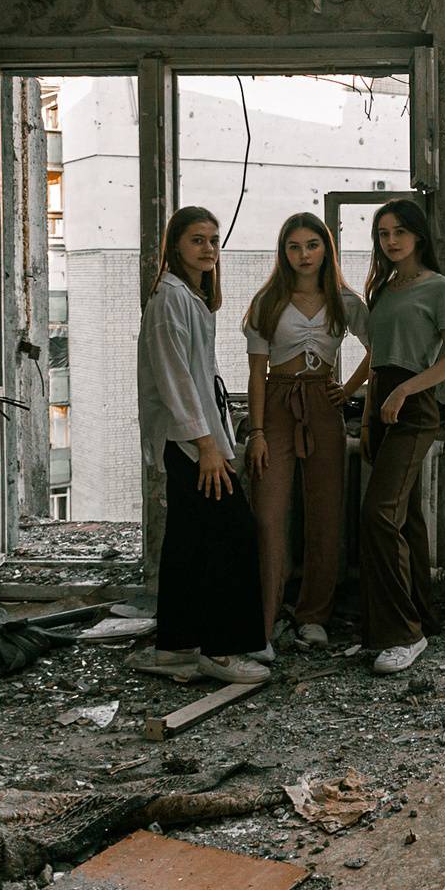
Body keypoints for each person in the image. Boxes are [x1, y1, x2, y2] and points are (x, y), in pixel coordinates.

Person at [135, 206, 269, 684]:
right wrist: (208, 447)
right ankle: (223, 650)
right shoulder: (170, 298)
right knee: (233, 537)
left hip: (198, 438)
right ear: (175, 245)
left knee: (188, 543)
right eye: (197, 240)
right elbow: (175, 379)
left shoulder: (190, 296)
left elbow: (198, 376)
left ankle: (176, 645)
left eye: (214, 240)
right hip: (192, 443)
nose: (209, 248)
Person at [337, 198, 445, 675]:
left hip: (414, 410)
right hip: (381, 408)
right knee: (405, 519)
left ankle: (403, 636)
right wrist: (350, 395)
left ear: (418, 235)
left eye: (398, 232)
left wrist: (401, 394)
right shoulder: (385, 289)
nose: (390, 241)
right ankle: (421, 620)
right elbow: (377, 355)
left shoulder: (441, 288)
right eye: (382, 234)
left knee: (377, 515)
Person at [243, 213, 366, 652]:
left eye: (312, 245)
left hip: (323, 404)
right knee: (269, 515)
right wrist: (256, 432)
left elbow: (378, 347)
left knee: (326, 513)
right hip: (276, 403)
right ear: (284, 252)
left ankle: (315, 615)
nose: (303, 255)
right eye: (294, 247)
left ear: (326, 249)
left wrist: (348, 390)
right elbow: (257, 374)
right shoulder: (268, 301)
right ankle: (263, 621)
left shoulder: (344, 300)